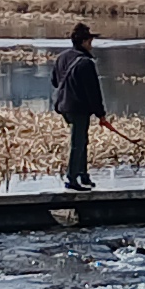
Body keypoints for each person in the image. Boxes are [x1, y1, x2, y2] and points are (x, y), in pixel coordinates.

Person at [51, 20, 105, 189]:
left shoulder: (61, 57)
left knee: (81, 140)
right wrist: (101, 113)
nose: (92, 45)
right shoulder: (85, 63)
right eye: (90, 41)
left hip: (63, 106)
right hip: (78, 108)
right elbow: (93, 91)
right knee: (78, 143)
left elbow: (54, 81)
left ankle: (83, 175)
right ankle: (72, 178)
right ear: (83, 42)